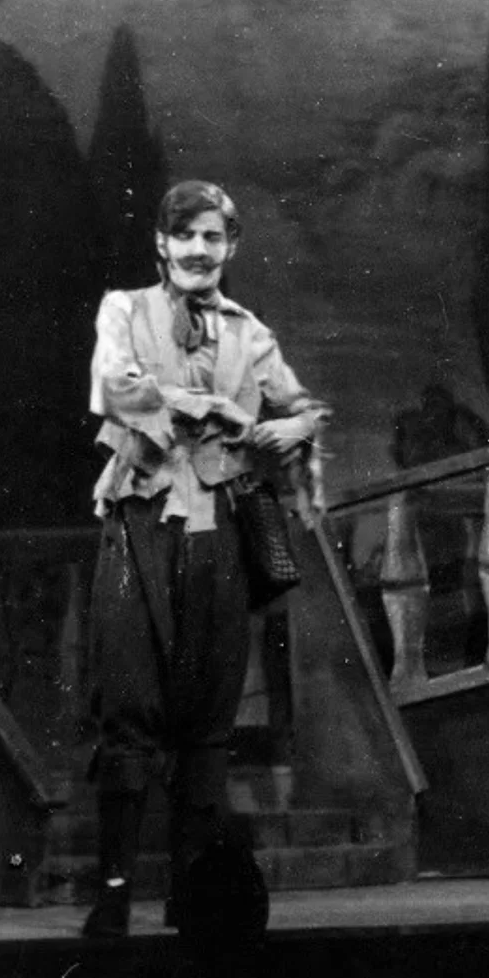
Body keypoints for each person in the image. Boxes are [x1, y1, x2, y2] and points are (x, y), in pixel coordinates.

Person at [81, 180, 330, 938]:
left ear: (231, 247)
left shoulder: (248, 333)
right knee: (129, 702)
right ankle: (114, 895)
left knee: (209, 713)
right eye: (184, 235)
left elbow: (303, 406)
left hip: (218, 528)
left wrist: (296, 428)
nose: (198, 250)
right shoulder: (124, 310)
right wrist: (212, 408)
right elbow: (118, 387)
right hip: (141, 523)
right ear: (161, 243)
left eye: (212, 237)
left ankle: (191, 896)